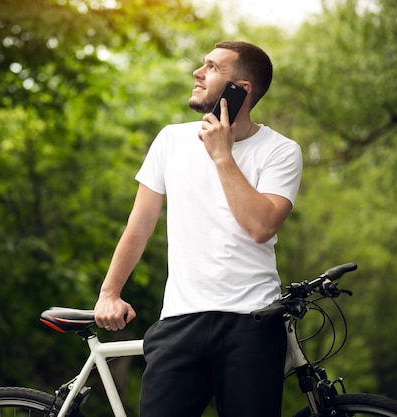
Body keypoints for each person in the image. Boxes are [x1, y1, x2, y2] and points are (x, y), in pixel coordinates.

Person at [93, 41, 303, 417]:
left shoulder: (281, 151)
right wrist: (110, 292)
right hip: (179, 321)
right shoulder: (171, 140)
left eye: (211, 67)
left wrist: (222, 155)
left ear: (241, 88)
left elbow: (261, 226)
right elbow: (139, 225)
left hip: (252, 324)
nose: (197, 72)